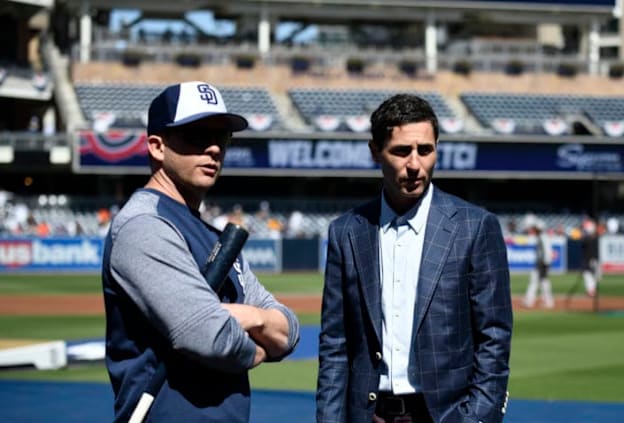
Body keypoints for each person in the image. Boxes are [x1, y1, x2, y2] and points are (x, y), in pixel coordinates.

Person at [101, 81, 300, 422]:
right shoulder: (144, 226)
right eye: (196, 136)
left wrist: (248, 316)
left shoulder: (215, 235)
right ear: (157, 147)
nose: (212, 149)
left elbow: (288, 330)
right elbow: (209, 336)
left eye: (221, 137)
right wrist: (255, 343)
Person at [316, 94, 513, 423]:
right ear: (375, 151)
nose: (414, 164)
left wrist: (477, 417)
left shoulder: (475, 227)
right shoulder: (346, 232)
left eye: (425, 150)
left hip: (445, 415)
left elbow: (494, 336)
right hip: (368, 414)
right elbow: (335, 343)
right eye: (401, 151)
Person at [522, 217, 554, 308]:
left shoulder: (543, 237)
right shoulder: (542, 236)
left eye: (536, 228)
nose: (534, 229)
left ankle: (530, 301)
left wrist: (544, 264)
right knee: (542, 282)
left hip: (542, 263)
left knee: (536, 281)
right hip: (542, 263)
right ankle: (547, 301)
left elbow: (546, 252)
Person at [581, 219, 600, 297]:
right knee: (592, 275)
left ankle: (591, 290)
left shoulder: (588, 239)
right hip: (593, 260)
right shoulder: (595, 238)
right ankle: (592, 290)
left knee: (588, 275)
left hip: (590, 260)